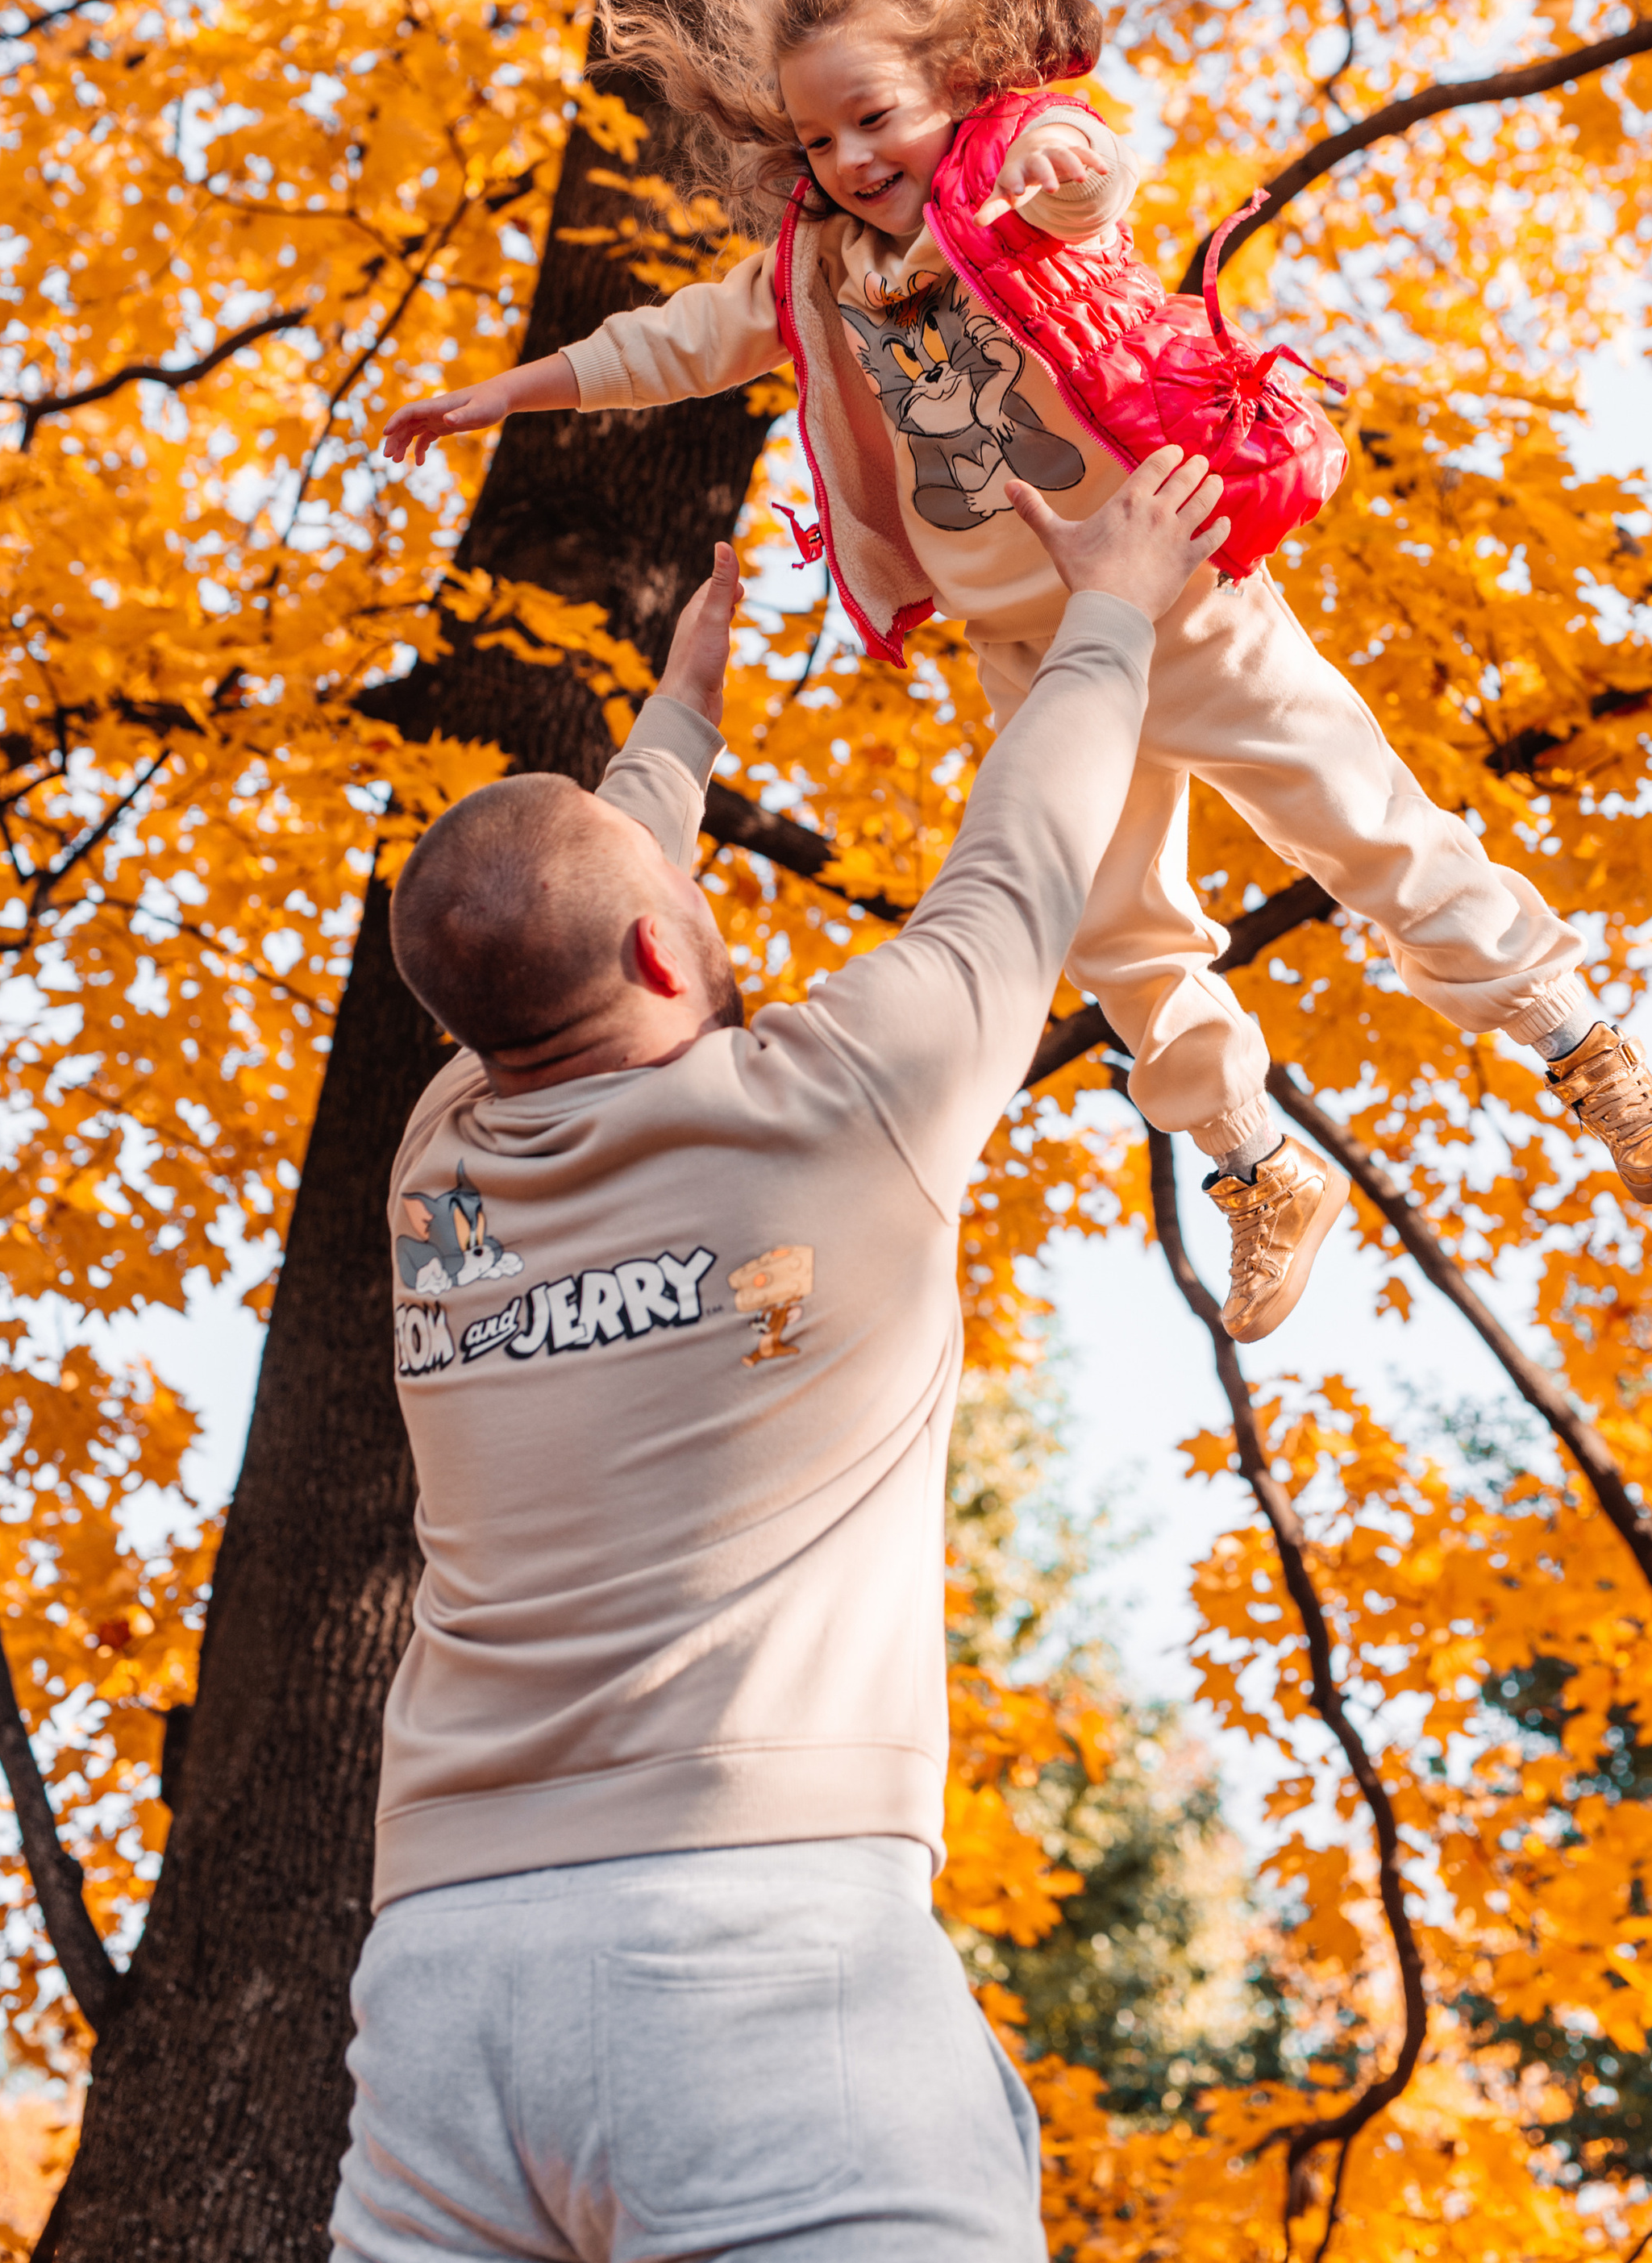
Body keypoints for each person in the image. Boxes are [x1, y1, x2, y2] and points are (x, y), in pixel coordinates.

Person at [385, 0, 1652, 1346]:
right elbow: (676, 343)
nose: (852, 158)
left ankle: (1579, 1038)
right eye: (820, 137)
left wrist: (1056, 173)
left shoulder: (1009, 176)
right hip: (1036, 658)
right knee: (1113, 926)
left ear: (952, 88)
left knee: (1363, 825)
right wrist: (505, 395)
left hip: (1178, 596)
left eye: (877, 115)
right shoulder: (816, 269)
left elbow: (1083, 177)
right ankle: (1256, 1164)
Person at [333, 447, 1230, 2263]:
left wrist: (677, 716)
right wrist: (1114, 606)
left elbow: (555, 912)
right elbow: (1023, 856)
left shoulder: (439, 1158)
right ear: (670, 938)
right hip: (758, 1952)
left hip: (438, 1991)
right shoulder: (835, 1105)